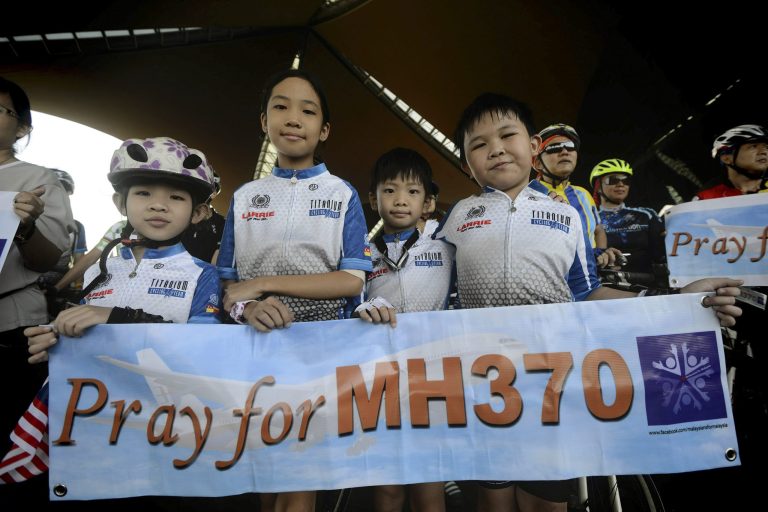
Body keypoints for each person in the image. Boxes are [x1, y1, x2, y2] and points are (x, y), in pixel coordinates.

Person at [435, 93, 742, 512]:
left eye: (508, 135)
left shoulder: (566, 216)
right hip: (483, 379)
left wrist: (681, 302)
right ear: (465, 164)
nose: (497, 149)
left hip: (552, 380)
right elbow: (430, 294)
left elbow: (588, 292)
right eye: (479, 144)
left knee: (545, 501)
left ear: (534, 146)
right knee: (494, 500)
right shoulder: (456, 217)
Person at [217, 69, 372, 512]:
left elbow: (352, 280)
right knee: (265, 476)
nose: (293, 118)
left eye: (308, 111)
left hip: (320, 354)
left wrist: (263, 284)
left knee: (300, 477)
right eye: (280, 107)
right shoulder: (244, 196)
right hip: (256, 351)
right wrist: (248, 307)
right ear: (263, 121)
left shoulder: (342, 194)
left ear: (324, 130)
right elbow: (227, 285)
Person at [25, 136, 221, 365]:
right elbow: (83, 336)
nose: (158, 205)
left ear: (197, 213)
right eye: (144, 193)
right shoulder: (98, 271)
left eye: (176, 197)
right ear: (120, 203)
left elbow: (204, 345)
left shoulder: (202, 274)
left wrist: (118, 316)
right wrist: (57, 340)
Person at [356, 147, 454, 512]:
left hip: (432, 376)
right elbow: (350, 304)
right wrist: (360, 310)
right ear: (373, 198)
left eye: (412, 192)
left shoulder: (445, 244)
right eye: (389, 190)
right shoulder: (361, 255)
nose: (400, 200)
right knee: (388, 488)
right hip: (381, 378)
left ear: (427, 203)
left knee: (428, 485)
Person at [0, 77, 75, 498]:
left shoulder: (37, 179)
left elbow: (48, 260)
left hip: (11, 326)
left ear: (22, 128)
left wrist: (27, 227)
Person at [530, 123, 616, 267]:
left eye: (570, 147)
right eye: (554, 148)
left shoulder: (584, 194)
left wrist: (602, 253)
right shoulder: (527, 196)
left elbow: (598, 230)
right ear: (538, 163)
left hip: (590, 275)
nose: (565, 151)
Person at [589, 158, 667, 284]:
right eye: (613, 180)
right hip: (606, 284)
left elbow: (661, 252)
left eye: (626, 181)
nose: (621, 184)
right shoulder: (589, 218)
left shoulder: (646, 214)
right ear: (598, 187)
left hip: (648, 281)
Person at [695, 124, 768, 199]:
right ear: (726, 158)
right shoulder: (707, 196)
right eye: (754, 146)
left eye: (766, 147)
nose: (764, 151)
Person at [182, 168, 226, 263]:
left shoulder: (221, 223)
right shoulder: (180, 215)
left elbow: (218, 253)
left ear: (214, 193)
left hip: (203, 270)